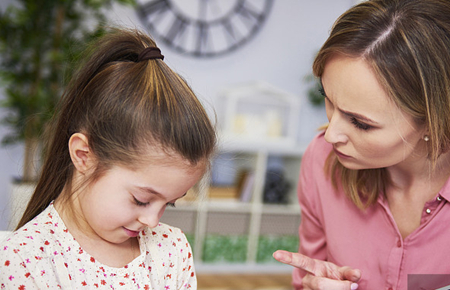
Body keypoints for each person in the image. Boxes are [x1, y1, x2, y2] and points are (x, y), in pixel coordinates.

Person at [0, 28, 216, 289]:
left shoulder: (171, 250)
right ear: (84, 156)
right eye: (142, 200)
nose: (152, 221)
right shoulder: (25, 260)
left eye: (168, 203)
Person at [273, 0, 450, 289]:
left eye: (360, 123)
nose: (331, 135)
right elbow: (306, 278)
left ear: (433, 120)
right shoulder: (321, 160)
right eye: (328, 100)